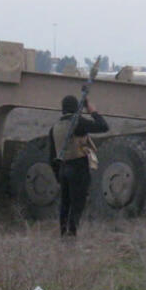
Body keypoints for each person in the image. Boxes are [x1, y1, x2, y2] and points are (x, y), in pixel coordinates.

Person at [50, 94, 109, 237]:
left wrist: (58, 175)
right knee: (77, 204)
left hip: (63, 169)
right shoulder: (78, 123)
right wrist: (93, 111)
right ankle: (72, 235)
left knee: (65, 205)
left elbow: (51, 156)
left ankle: (63, 234)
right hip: (78, 168)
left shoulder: (55, 127)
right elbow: (103, 127)